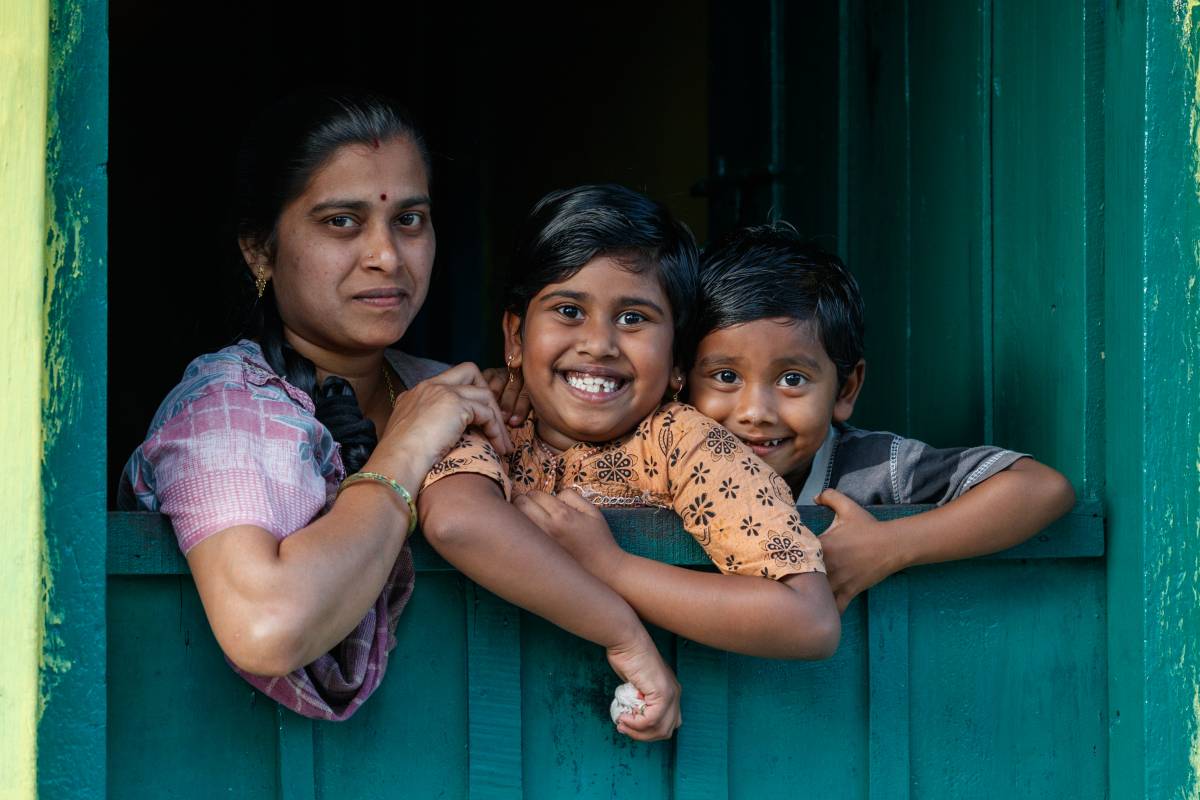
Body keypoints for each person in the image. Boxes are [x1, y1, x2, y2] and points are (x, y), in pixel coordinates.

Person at [120, 88, 527, 720]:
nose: (386, 256)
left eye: (409, 220)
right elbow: (266, 625)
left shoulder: (442, 386)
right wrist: (406, 449)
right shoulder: (223, 413)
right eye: (341, 221)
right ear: (259, 249)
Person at [419, 185, 841, 688]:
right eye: (569, 311)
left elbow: (810, 621)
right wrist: (624, 635)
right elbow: (455, 524)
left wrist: (613, 567)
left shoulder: (689, 446)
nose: (599, 344)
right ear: (515, 337)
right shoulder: (484, 424)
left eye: (633, 318)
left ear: (678, 361)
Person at [685, 224, 1077, 612]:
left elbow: (1041, 488)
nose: (755, 412)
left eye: (792, 379)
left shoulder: (877, 467)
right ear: (681, 378)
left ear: (845, 390)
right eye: (726, 377)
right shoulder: (656, 464)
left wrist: (890, 546)